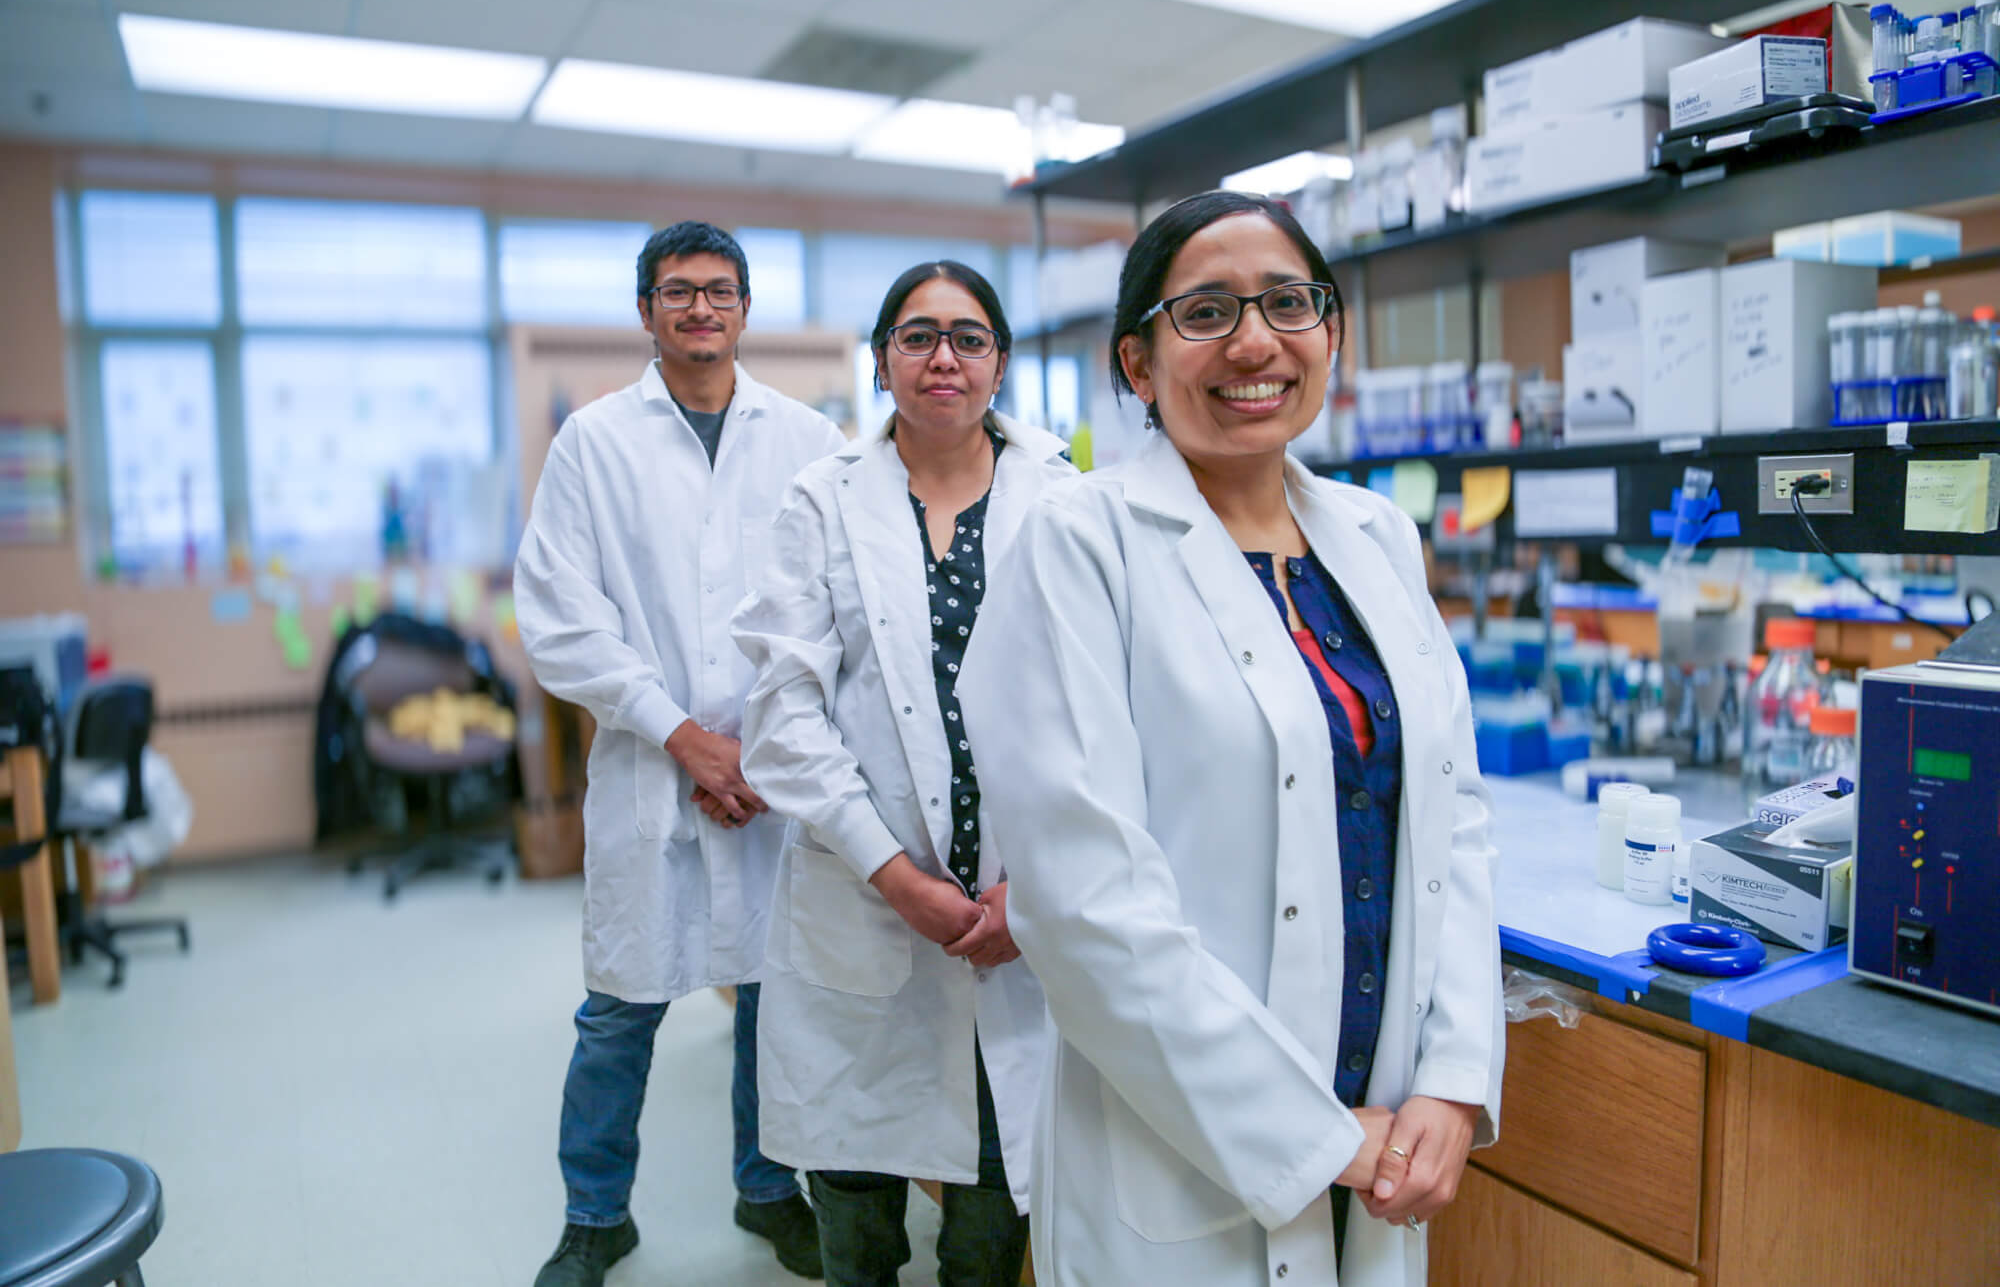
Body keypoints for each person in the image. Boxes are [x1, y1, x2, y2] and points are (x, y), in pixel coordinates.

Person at [957, 191, 1504, 1287]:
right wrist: (1310, 1133)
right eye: (1204, 312)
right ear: (1136, 360)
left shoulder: (1376, 536)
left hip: (1387, 1123)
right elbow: (1084, 903)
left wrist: (1451, 1080)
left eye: (1288, 304)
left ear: (1330, 332)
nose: (1254, 341)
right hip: (1177, 1145)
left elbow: (1452, 826)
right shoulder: (1077, 547)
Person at [732, 261, 1075, 1287]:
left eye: (968, 337)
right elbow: (782, 713)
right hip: (862, 898)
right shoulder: (819, 499)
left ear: (999, 363)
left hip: (1015, 911)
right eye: (917, 335)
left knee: (989, 1200)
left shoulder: (1063, 500)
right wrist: (892, 871)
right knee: (856, 1210)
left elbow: (1098, 708)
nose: (943, 357)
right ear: (882, 358)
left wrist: (1041, 886)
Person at [514, 220, 843, 1287]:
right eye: (675, 291)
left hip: (770, 773)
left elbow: (828, 607)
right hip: (653, 771)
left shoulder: (806, 440)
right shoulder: (593, 443)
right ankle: (595, 1215)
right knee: (619, 1010)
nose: (698, 307)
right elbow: (562, 618)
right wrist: (684, 737)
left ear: (744, 308)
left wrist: (755, 745)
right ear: (646, 311)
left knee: (767, 999)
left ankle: (766, 1189)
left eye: (717, 290)